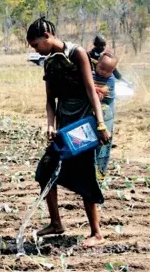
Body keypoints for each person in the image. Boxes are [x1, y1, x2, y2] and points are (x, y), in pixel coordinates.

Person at [26, 17, 111, 247]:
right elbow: (50, 101)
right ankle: (56, 223)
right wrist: (51, 125)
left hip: (83, 123)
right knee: (45, 170)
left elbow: (90, 90)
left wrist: (101, 124)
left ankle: (96, 233)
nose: (36, 50)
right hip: (64, 123)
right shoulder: (48, 63)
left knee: (85, 174)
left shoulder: (77, 53)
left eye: (36, 45)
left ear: (47, 36)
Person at [93, 52, 118, 175]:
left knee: (104, 139)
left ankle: (100, 171)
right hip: (94, 107)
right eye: (101, 68)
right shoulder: (92, 73)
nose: (103, 72)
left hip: (106, 106)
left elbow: (104, 90)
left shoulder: (111, 79)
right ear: (97, 63)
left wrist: (93, 89)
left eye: (107, 71)